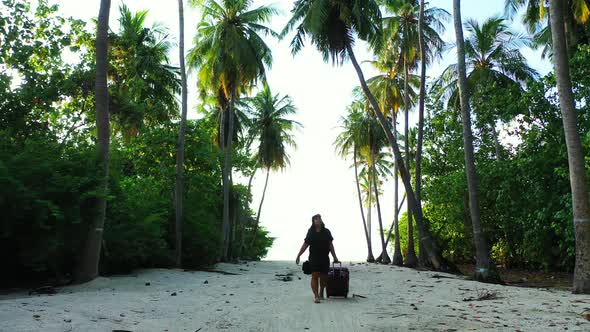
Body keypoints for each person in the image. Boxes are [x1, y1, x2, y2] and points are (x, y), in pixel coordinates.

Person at [295, 214, 339, 303]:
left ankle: (321, 291)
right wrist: (299, 255)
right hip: (314, 258)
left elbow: (331, 245)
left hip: (324, 258)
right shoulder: (311, 232)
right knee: (314, 276)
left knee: (324, 278)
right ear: (313, 221)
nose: (318, 220)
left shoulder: (327, 232)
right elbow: (305, 244)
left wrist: (335, 257)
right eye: (316, 219)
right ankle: (316, 296)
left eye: (319, 219)